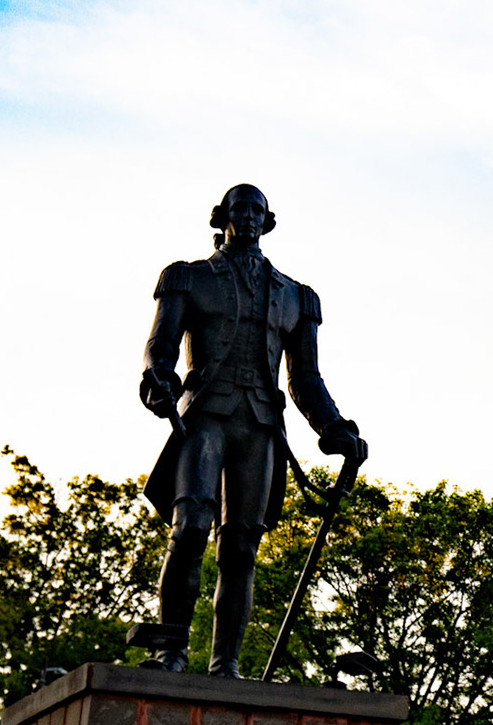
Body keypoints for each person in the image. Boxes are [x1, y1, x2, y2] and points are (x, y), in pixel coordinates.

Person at [136, 183, 365, 678]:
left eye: (258, 210)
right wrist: (159, 381)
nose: (250, 216)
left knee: (240, 547)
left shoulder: (296, 297)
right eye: (240, 208)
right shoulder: (188, 279)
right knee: (191, 528)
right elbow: (161, 348)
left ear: (270, 220)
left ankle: (226, 666)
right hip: (205, 417)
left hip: (260, 425)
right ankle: (171, 651)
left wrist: (333, 428)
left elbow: (305, 378)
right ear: (221, 217)